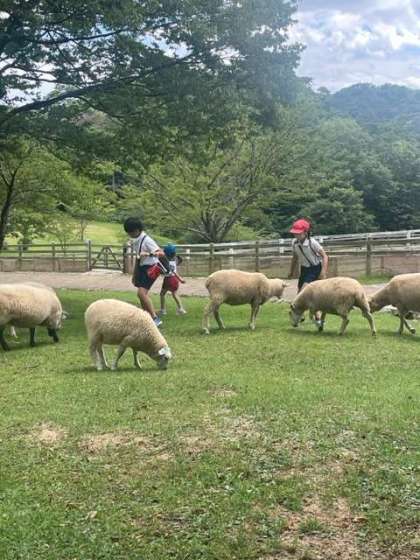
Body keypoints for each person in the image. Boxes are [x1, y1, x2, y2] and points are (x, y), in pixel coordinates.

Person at [124, 217, 164, 327]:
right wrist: (135, 274)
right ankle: (146, 317)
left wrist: (148, 254)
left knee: (141, 293)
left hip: (151, 268)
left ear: (137, 230)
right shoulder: (136, 240)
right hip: (142, 268)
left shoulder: (147, 240)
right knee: (141, 295)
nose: (130, 234)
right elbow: (139, 258)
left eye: (131, 232)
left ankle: (155, 318)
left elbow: (161, 253)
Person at [287, 218, 328, 326]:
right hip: (304, 269)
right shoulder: (294, 243)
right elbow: (295, 257)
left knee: (304, 292)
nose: (296, 235)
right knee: (300, 293)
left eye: (298, 233)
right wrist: (291, 271)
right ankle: (302, 315)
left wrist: (323, 271)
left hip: (315, 268)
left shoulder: (312, 243)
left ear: (305, 232)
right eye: (295, 233)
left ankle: (316, 317)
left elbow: (325, 256)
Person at [159, 243, 187, 316]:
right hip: (175, 279)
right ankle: (181, 309)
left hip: (168, 279)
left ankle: (163, 310)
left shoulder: (165, 262)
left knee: (162, 294)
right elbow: (175, 272)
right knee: (174, 294)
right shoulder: (174, 261)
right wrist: (180, 279)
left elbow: (162, 270)